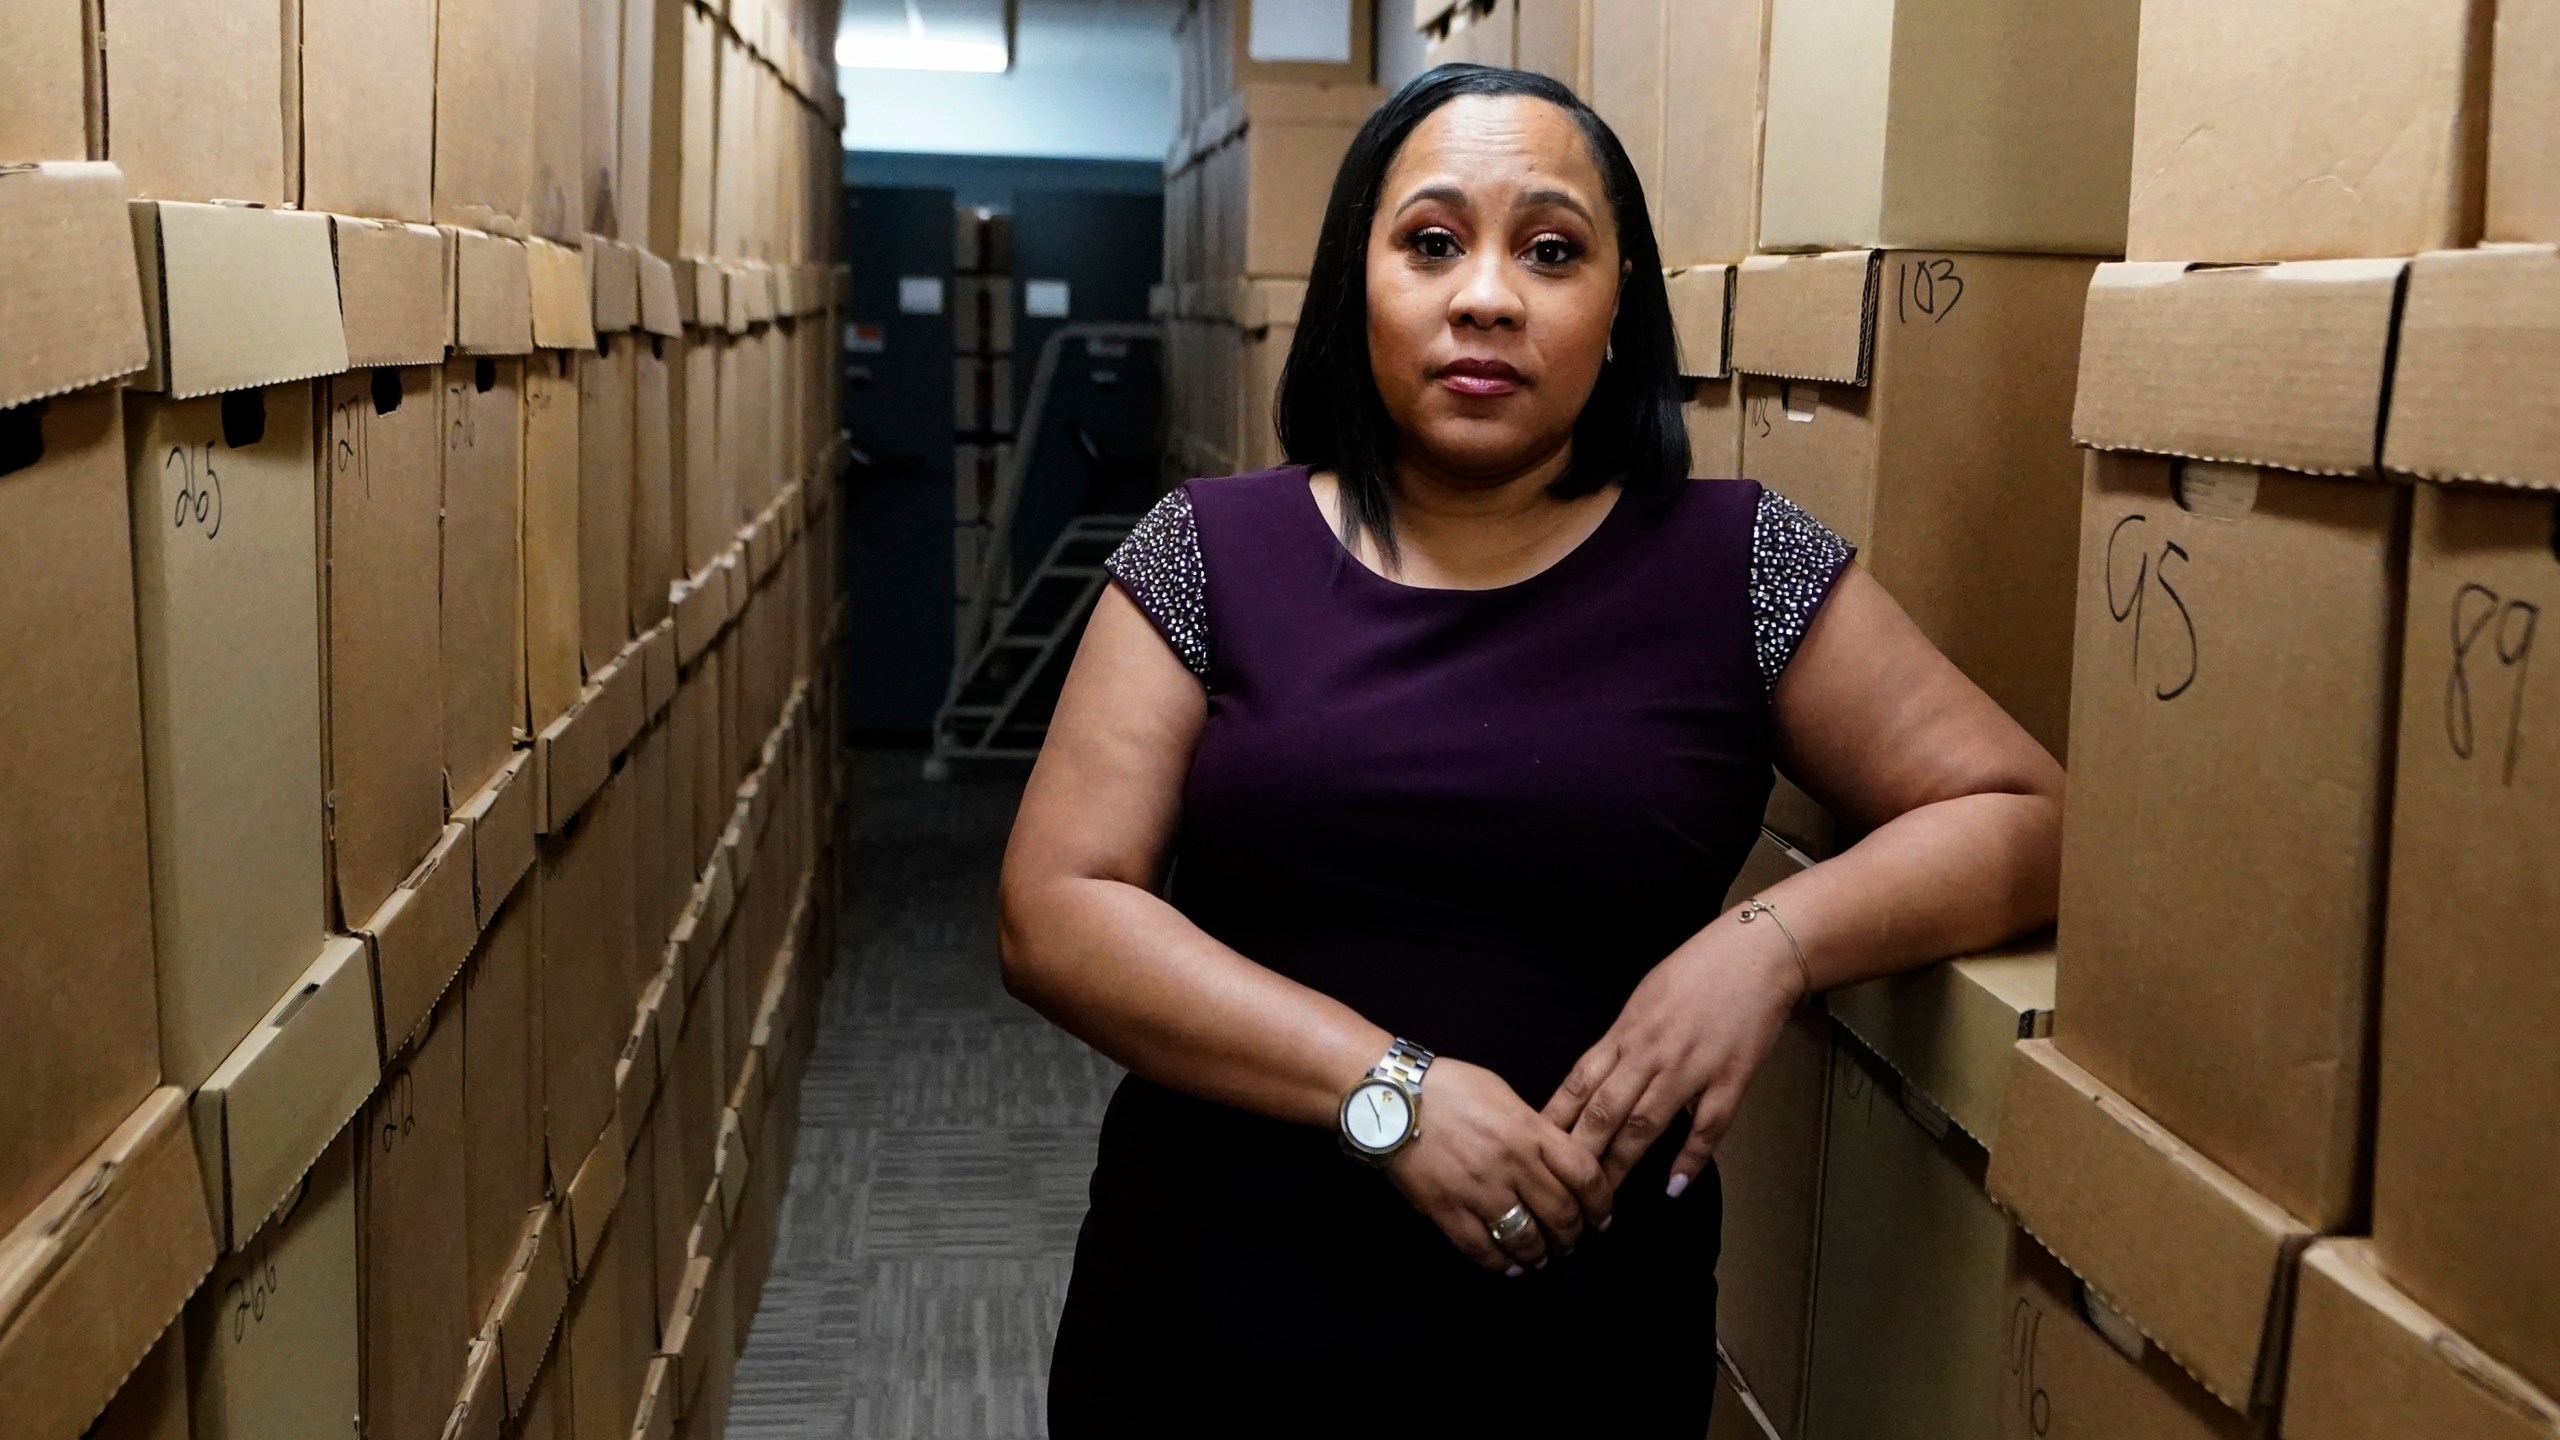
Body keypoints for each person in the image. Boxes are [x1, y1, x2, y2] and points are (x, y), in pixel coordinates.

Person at [998, 63, 2064, 1435]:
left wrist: (1768, 944)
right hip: (1214, 1318)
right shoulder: (1208, 550)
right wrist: (1390, 1091)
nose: (1487, 294)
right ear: (1356, 284)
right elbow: (1054, 913)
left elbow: (2026, 811)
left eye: (1552, 250)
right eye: (1432, 242)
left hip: (1574, 1336)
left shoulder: (1739, 561)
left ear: (1619, 303)